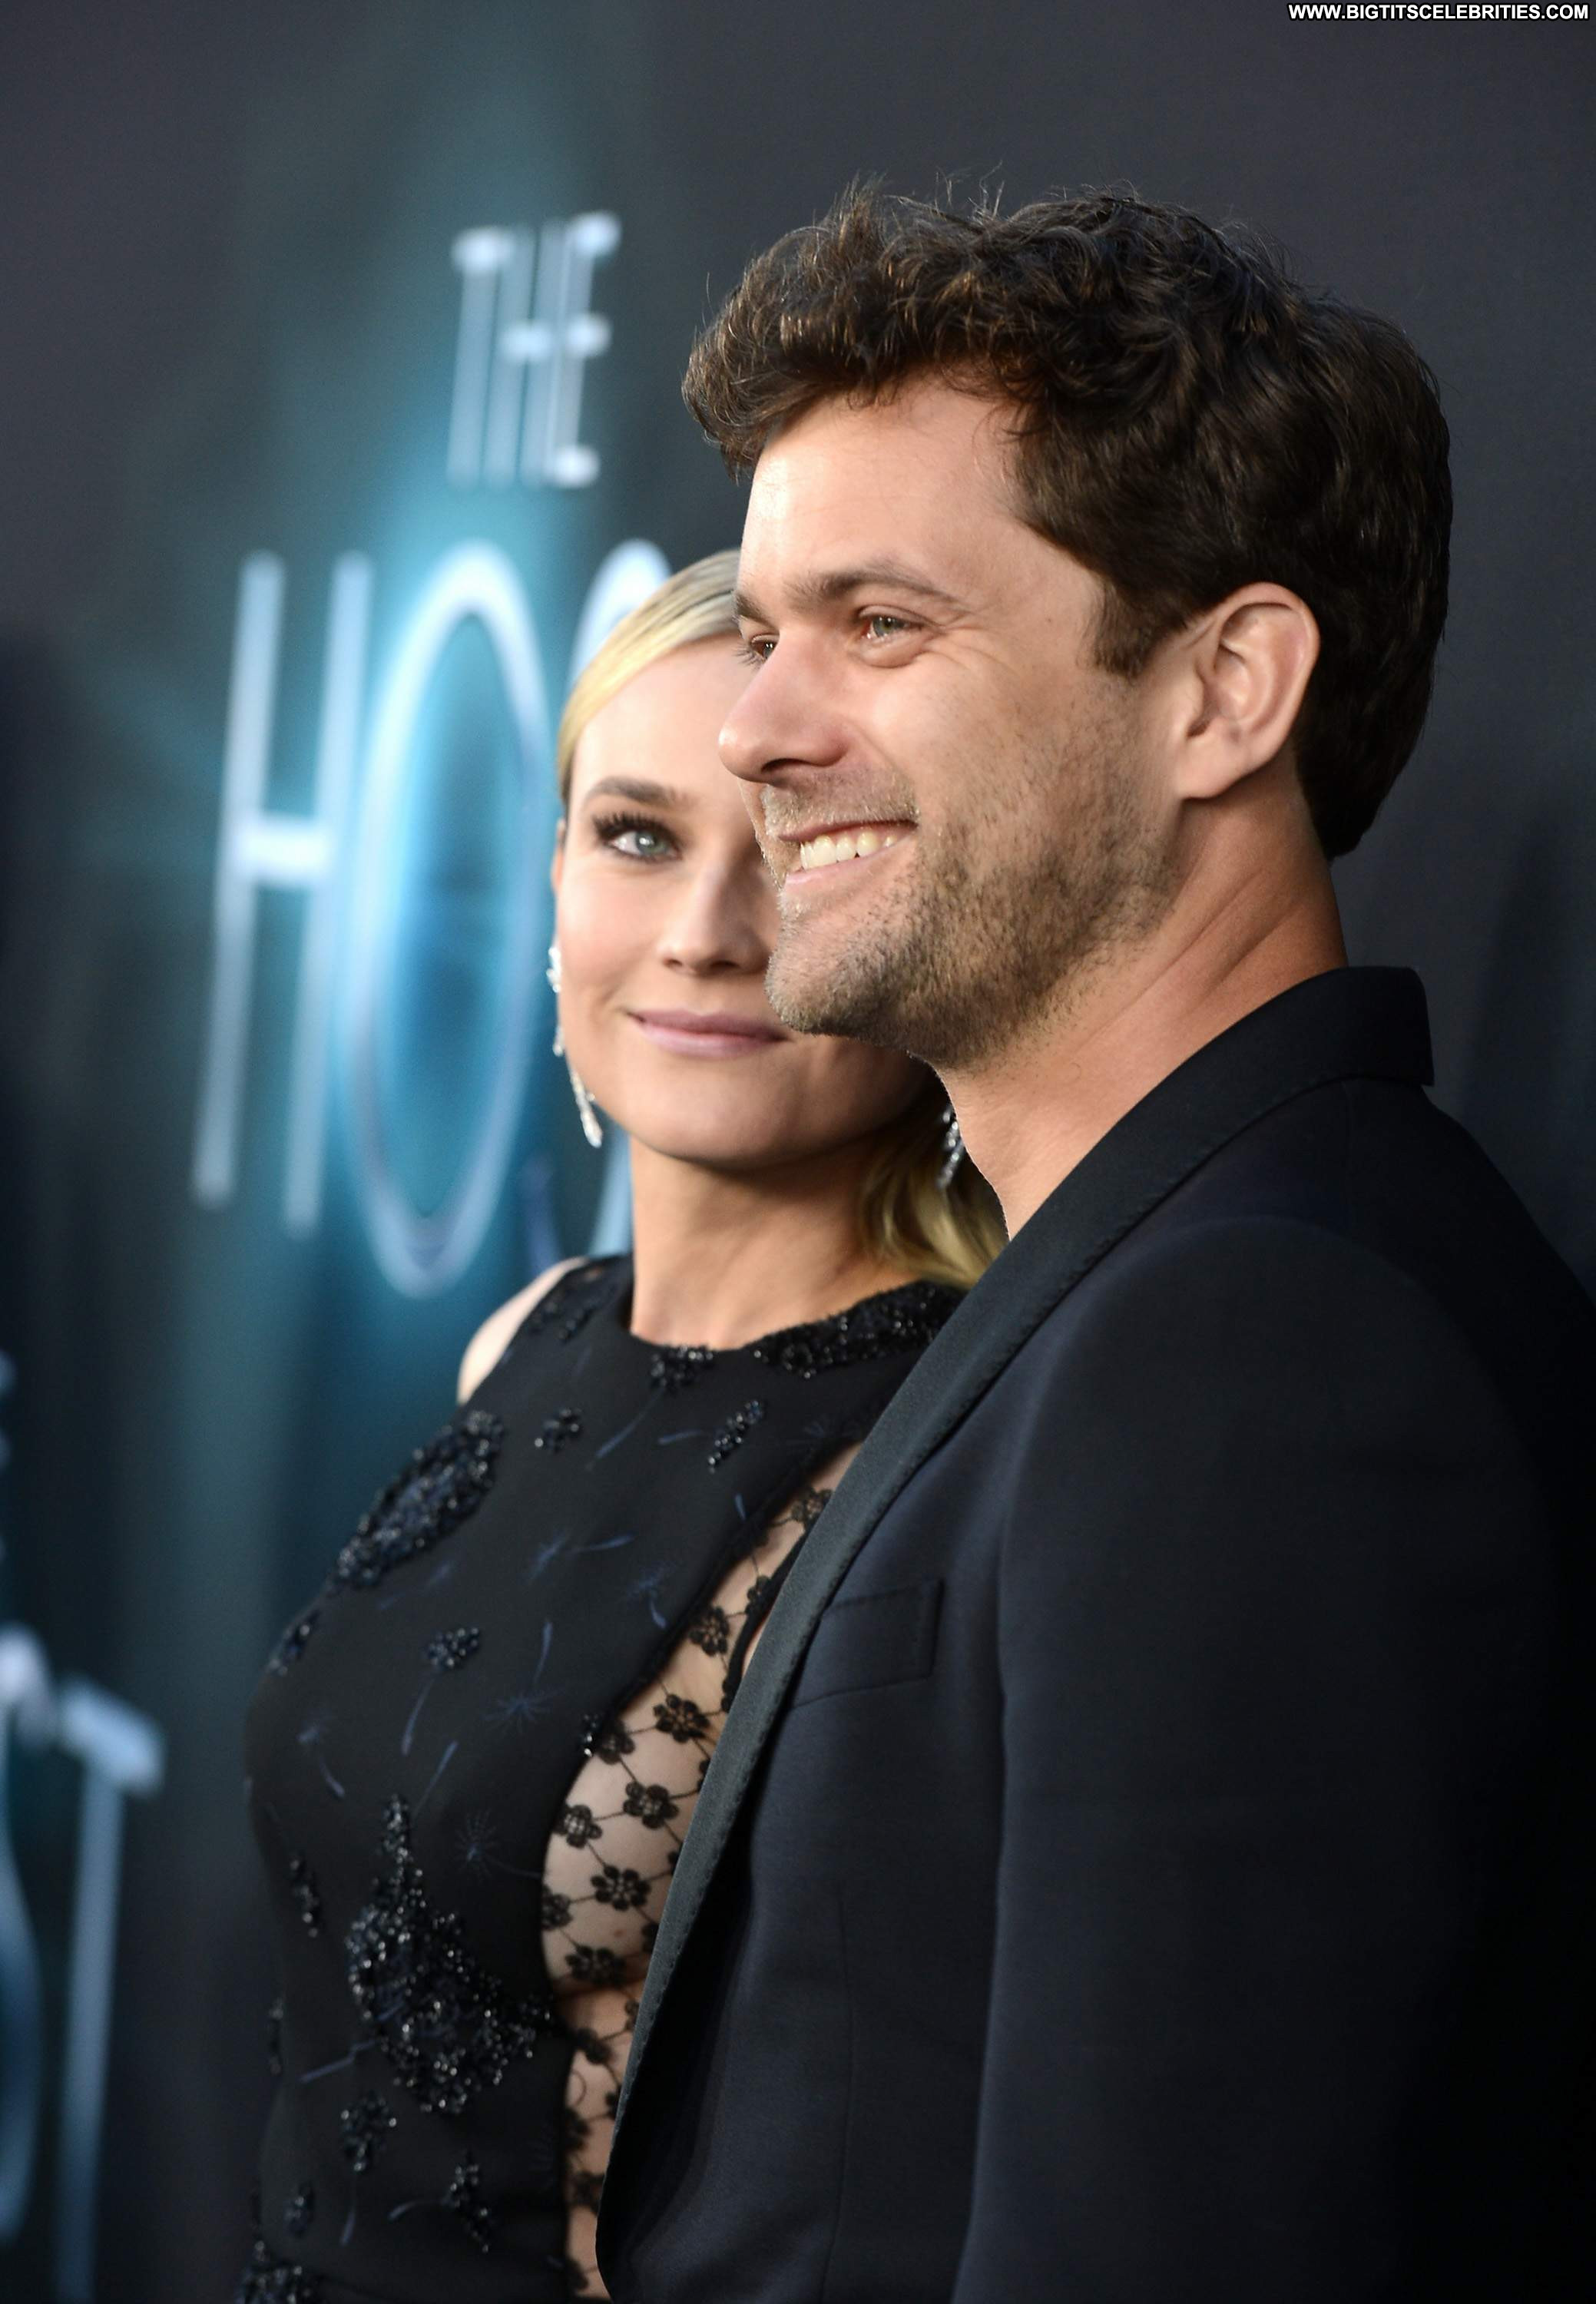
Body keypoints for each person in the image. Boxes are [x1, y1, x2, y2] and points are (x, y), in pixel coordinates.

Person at [597, 194, 1596, 2302]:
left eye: (881, 624)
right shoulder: (1155, 1278)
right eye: (763, 628)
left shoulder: (1267, 1349)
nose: (758, 728)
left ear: (1223, 690)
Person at [238, 550, 1004, 2304]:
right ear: (556, 878)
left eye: (798, 847)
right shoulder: (523, 1342)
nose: (707, 933)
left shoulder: (952, 1444)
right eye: (638, 835)